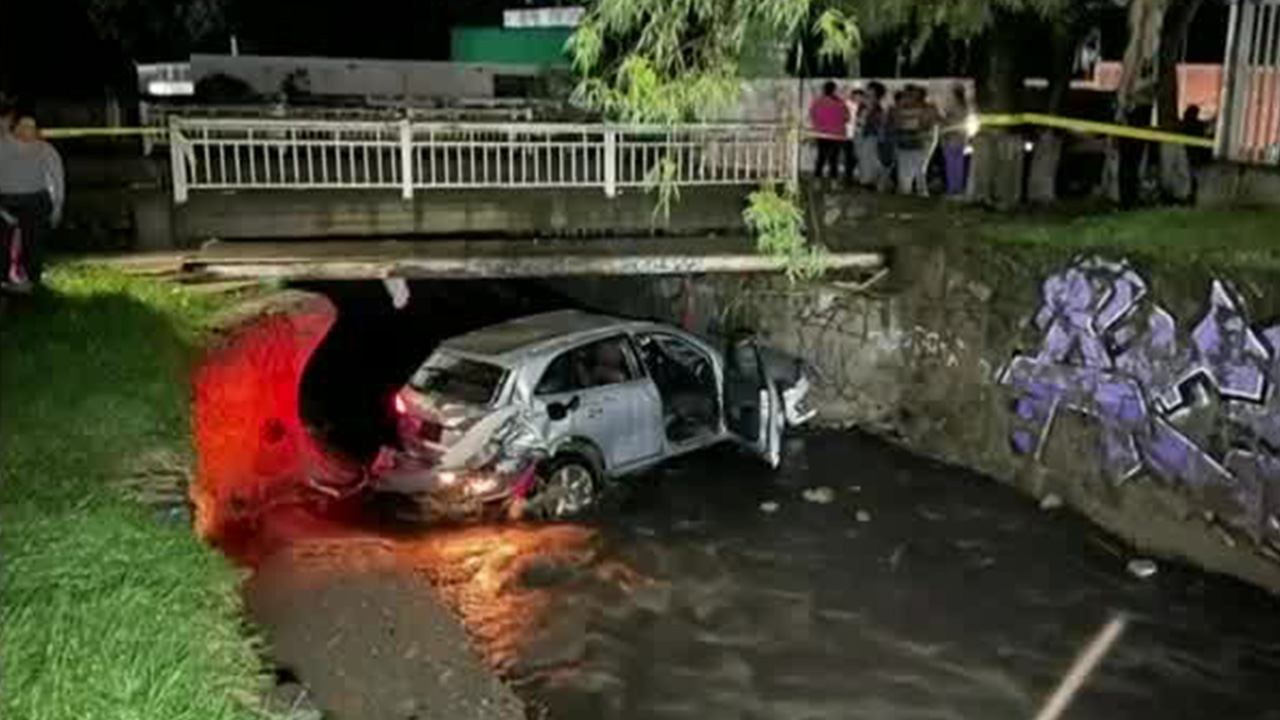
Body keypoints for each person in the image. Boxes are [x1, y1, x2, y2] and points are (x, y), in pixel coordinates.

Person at [0, 112, 65, 292]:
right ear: (15, 128)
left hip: (36, 200)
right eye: (23, 126)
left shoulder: (45, 149)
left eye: (32, 127)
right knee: (3, 240)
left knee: (34, 240)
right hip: (5, 201)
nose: (28, 131)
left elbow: (56, 179)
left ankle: (32, 279)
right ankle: (4, 280)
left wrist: (57, 206)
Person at [890, 86, 940, 196]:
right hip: (905, 146)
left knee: (919, 171)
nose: (907, 97)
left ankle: (920, 194)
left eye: (910, 95)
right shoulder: (899, 108)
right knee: (906, 176)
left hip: (918, 146)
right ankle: (909, 193)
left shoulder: (928, 108)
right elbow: (896, 124)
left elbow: (928, 126)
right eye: (906, 95)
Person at [809, 80, 850, 183]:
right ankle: (834, 182)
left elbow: (813, 116)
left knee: (821, 157)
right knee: (834, 159)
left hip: (822, 134)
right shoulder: (840, 103)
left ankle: (817, 181)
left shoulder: (818, 102)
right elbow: (847, 117)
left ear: (824, 90)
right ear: (834, 90)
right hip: (837, 135)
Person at [941, 84, 972, 196]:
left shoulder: (952, 105)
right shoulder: (966, 106)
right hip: (961, 138)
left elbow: (946, 121)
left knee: (950, 165)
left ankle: (952, 188)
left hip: (951, 137)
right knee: (959, 165)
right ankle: (958, 188)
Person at [855, 82, 887, 188]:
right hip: (859, 134)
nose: (867, 92)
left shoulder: (878, 109)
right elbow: (859, 120)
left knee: (866, 157)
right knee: (861, 157)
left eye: (870, 90)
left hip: (870, 135)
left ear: (876, 95)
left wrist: (880, 137)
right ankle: (867, 178)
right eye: (867, 90)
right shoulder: (862, 105)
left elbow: (879, 124)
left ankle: (866, 181)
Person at [843, 87, 865, 186]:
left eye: (860, 97)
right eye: (856, 96)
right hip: (847, 135)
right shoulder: (846, 104)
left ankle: (856, 177)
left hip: (859, 136)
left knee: (857, 157)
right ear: (852, 96)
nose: (858, 99)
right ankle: (848, 178)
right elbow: (844, 118)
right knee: (849, 158)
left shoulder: (863, 107)